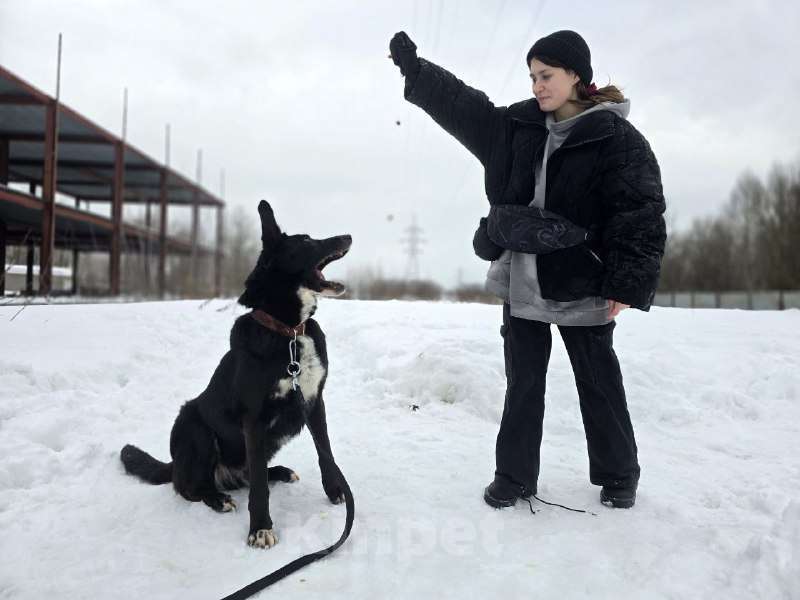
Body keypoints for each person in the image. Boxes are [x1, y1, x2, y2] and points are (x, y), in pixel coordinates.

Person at [389, 29, 666, 509]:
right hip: (523, 278)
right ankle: (514, 477)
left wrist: (626, 282)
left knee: (598, 381)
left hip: (583, 277)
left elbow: (640, 212)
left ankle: (619, 475)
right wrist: (418, 73)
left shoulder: (616, 139)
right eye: (533, 76)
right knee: (523, 384)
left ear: (575, 75)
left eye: (546, 75)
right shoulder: (517, 126)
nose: (537, 86)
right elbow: (466, 107)